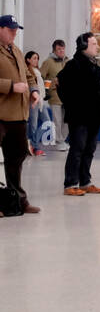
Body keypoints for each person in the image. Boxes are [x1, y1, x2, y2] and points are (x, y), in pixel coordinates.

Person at [57, 32, 100, 197]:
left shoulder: (94, 65)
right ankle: (70, 183)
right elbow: (61, 87)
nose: (97, 46)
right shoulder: (73, 65)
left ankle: (85, 182)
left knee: (89, 149)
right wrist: (74, 107)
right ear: (83, 47)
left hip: (94, 116)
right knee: (77, 149)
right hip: (79, 116)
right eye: (93, 44)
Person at [0, 15, 40, 215]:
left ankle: (18, 200)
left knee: (16, 159)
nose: (14, 33)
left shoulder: (15, 49)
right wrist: (10, 86)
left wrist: (34, 90)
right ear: (0, 29)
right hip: (1, 115)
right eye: (10, 29)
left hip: (18, 115)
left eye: (16, 29)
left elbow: (30, 73)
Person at [39, 39, 69, 150]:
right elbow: (40, 76)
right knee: (58, 119)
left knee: (67, 120)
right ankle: (59, 141)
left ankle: (63, 140)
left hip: (67, 96)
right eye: (59, 49)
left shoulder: (67, 61)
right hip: (55, 95)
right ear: (54, 50)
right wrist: (45, 90)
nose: (61, 51)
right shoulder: (48, 62)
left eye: (63, 48)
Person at [24, 52, 49, 156]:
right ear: (28, 59)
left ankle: (32, 143)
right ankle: (35, 147)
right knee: (33, 125)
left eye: (37, 58)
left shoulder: (37, 71)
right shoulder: (27, 71)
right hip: (33, 101)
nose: (36, 60)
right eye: (34, 58)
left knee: (47, 123)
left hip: (41, 101)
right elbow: (29, 86)